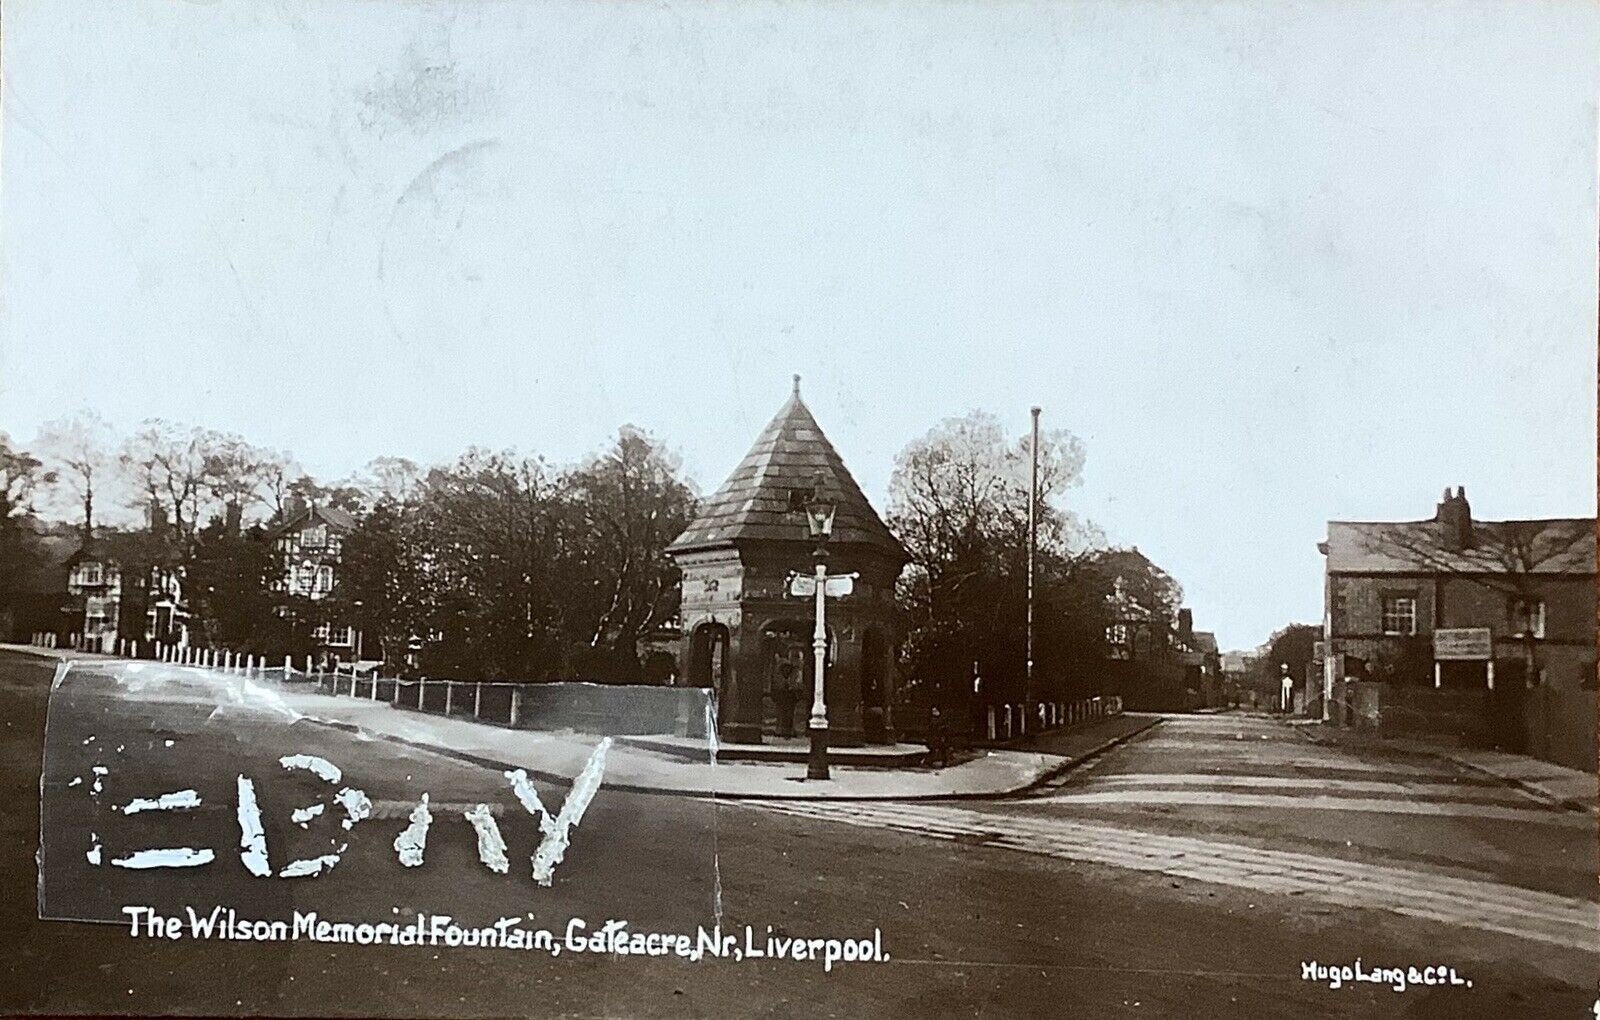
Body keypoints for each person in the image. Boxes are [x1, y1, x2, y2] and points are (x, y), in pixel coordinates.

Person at [773, 662, 799, 738]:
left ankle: (789, 730)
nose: (786, 671)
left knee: (790, 715)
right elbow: (776, 687)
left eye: (788, 669)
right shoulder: (778, 678)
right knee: (780, 714)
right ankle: (780, 730)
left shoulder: (794, 678)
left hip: (790, 699)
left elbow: (796, 688)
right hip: (781, 699)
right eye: (785, 669)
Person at [926, 704, 950, 768]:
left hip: (940, 737)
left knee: (943, 750)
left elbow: (945, 728)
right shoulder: (931, 719)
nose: (934, 712)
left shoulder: (942, 719)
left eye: (935, 711)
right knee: (933, 750)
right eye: (933, 711)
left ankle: (945, 762)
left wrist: (944, 736)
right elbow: (930, 729)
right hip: (934, 737)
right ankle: (929, 762)